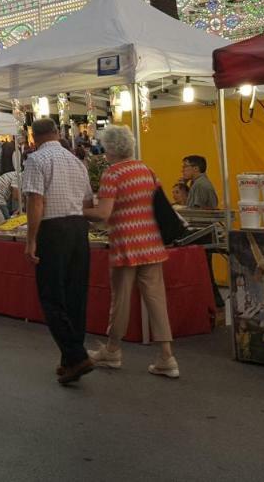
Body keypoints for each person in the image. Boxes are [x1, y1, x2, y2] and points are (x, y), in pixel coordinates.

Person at [85, 125, 179, 378]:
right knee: (156, 299)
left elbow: (103, 214)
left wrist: (79, 211)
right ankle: (166, 357)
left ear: (111, 149)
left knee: (121, 299)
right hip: (152, 242)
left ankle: (113, 350)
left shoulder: (112, 174)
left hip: (126, 244)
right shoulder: (146, 170)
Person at [22, 118, 95, 385]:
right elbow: (88, 201)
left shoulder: (36, 160)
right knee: (76, 294)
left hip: (53, 229)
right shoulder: (76, 160)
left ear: (34, 137)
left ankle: (76, 356)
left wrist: (31, 240)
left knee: (51, 296)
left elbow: (36, 201)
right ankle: (69, 359)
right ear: (56, 133)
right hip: (78, 227)